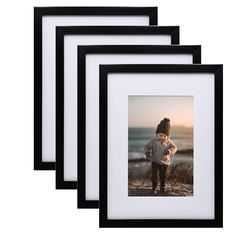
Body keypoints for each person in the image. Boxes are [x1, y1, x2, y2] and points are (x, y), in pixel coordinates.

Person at [144, 118, 177, 194]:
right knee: (154, 176)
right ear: (157, 134)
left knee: (163, 176)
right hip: (155, 161)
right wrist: (147, 153)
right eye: (160, 135)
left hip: (165, 163)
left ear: (167, 136)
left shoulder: (169, 142)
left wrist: (169, 151)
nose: (162, 137)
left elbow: (175, 147)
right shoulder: (153, 141)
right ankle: (154, 188)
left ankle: (162, 187)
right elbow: (146, 146)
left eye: (164, 136)